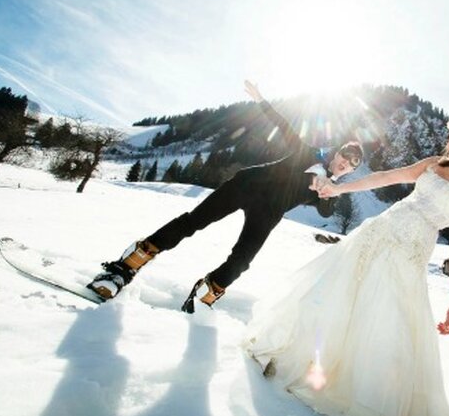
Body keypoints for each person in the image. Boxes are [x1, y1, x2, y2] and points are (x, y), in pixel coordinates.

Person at [243, 110, 449, 416]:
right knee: (336, 294)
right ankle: (300, 359)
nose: (448, 143)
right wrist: (339, 190)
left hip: (409, 252)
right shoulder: (434, 163)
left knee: (385, 317)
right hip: (377, 232)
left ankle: (364, 392)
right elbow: (387, 177)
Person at [87, 81, 364, 312]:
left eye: (353, 164)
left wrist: (329, 191)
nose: (346, 163)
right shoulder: (307, 153)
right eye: (345, 156)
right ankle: (124, 268)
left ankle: (204, 294)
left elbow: (327, 213)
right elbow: (283, 126)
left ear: (351, 169)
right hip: (244, 187)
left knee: (242, 260)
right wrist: (261, 101)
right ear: (337, 152)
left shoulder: (331, 188)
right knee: (192, 222)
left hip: (268, 212)